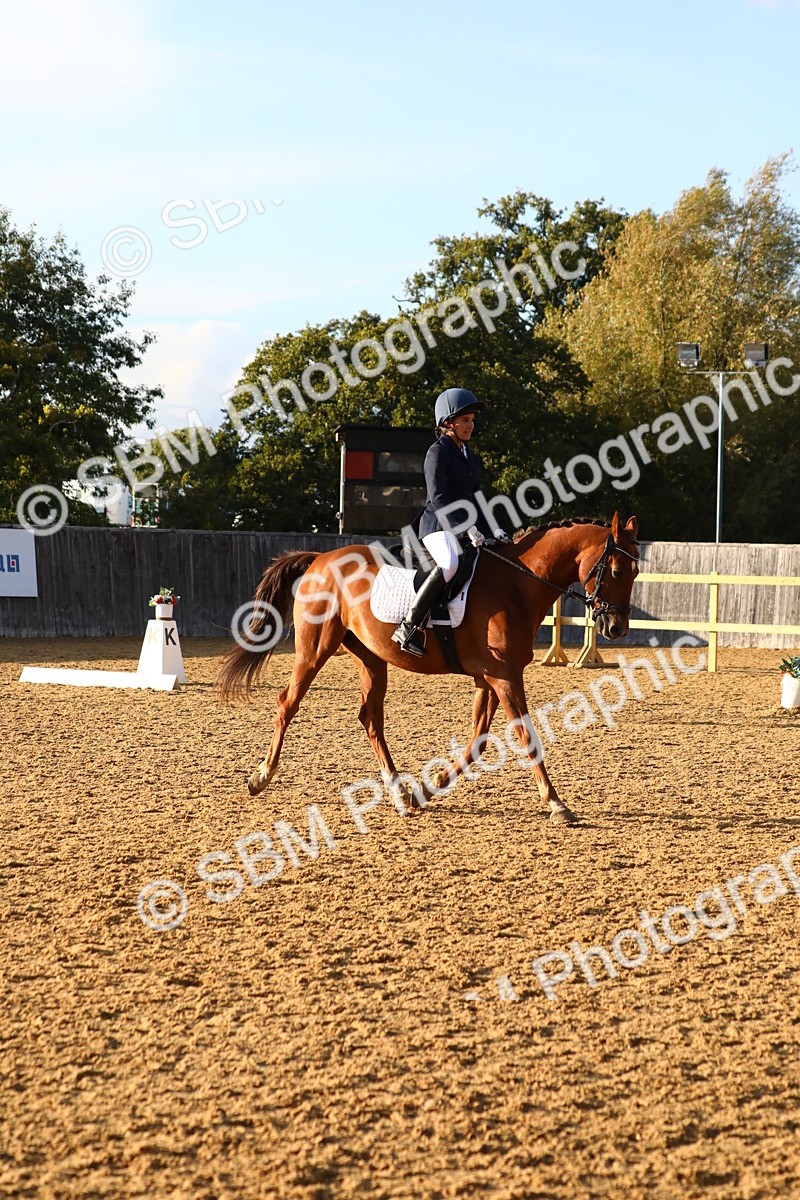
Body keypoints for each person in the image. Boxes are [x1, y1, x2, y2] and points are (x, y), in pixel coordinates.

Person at [391, 387, 509, 657]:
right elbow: (439, 497)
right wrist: (465, 527)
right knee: (450, 563)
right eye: (465, 420)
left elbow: (477, 497)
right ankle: (408, 625)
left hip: (463, 527)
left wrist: (495, 528)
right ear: (447, 423)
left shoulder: (468, 453)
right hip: (437, 526)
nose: (471, 425)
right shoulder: (437, 452)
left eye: (472, 420)